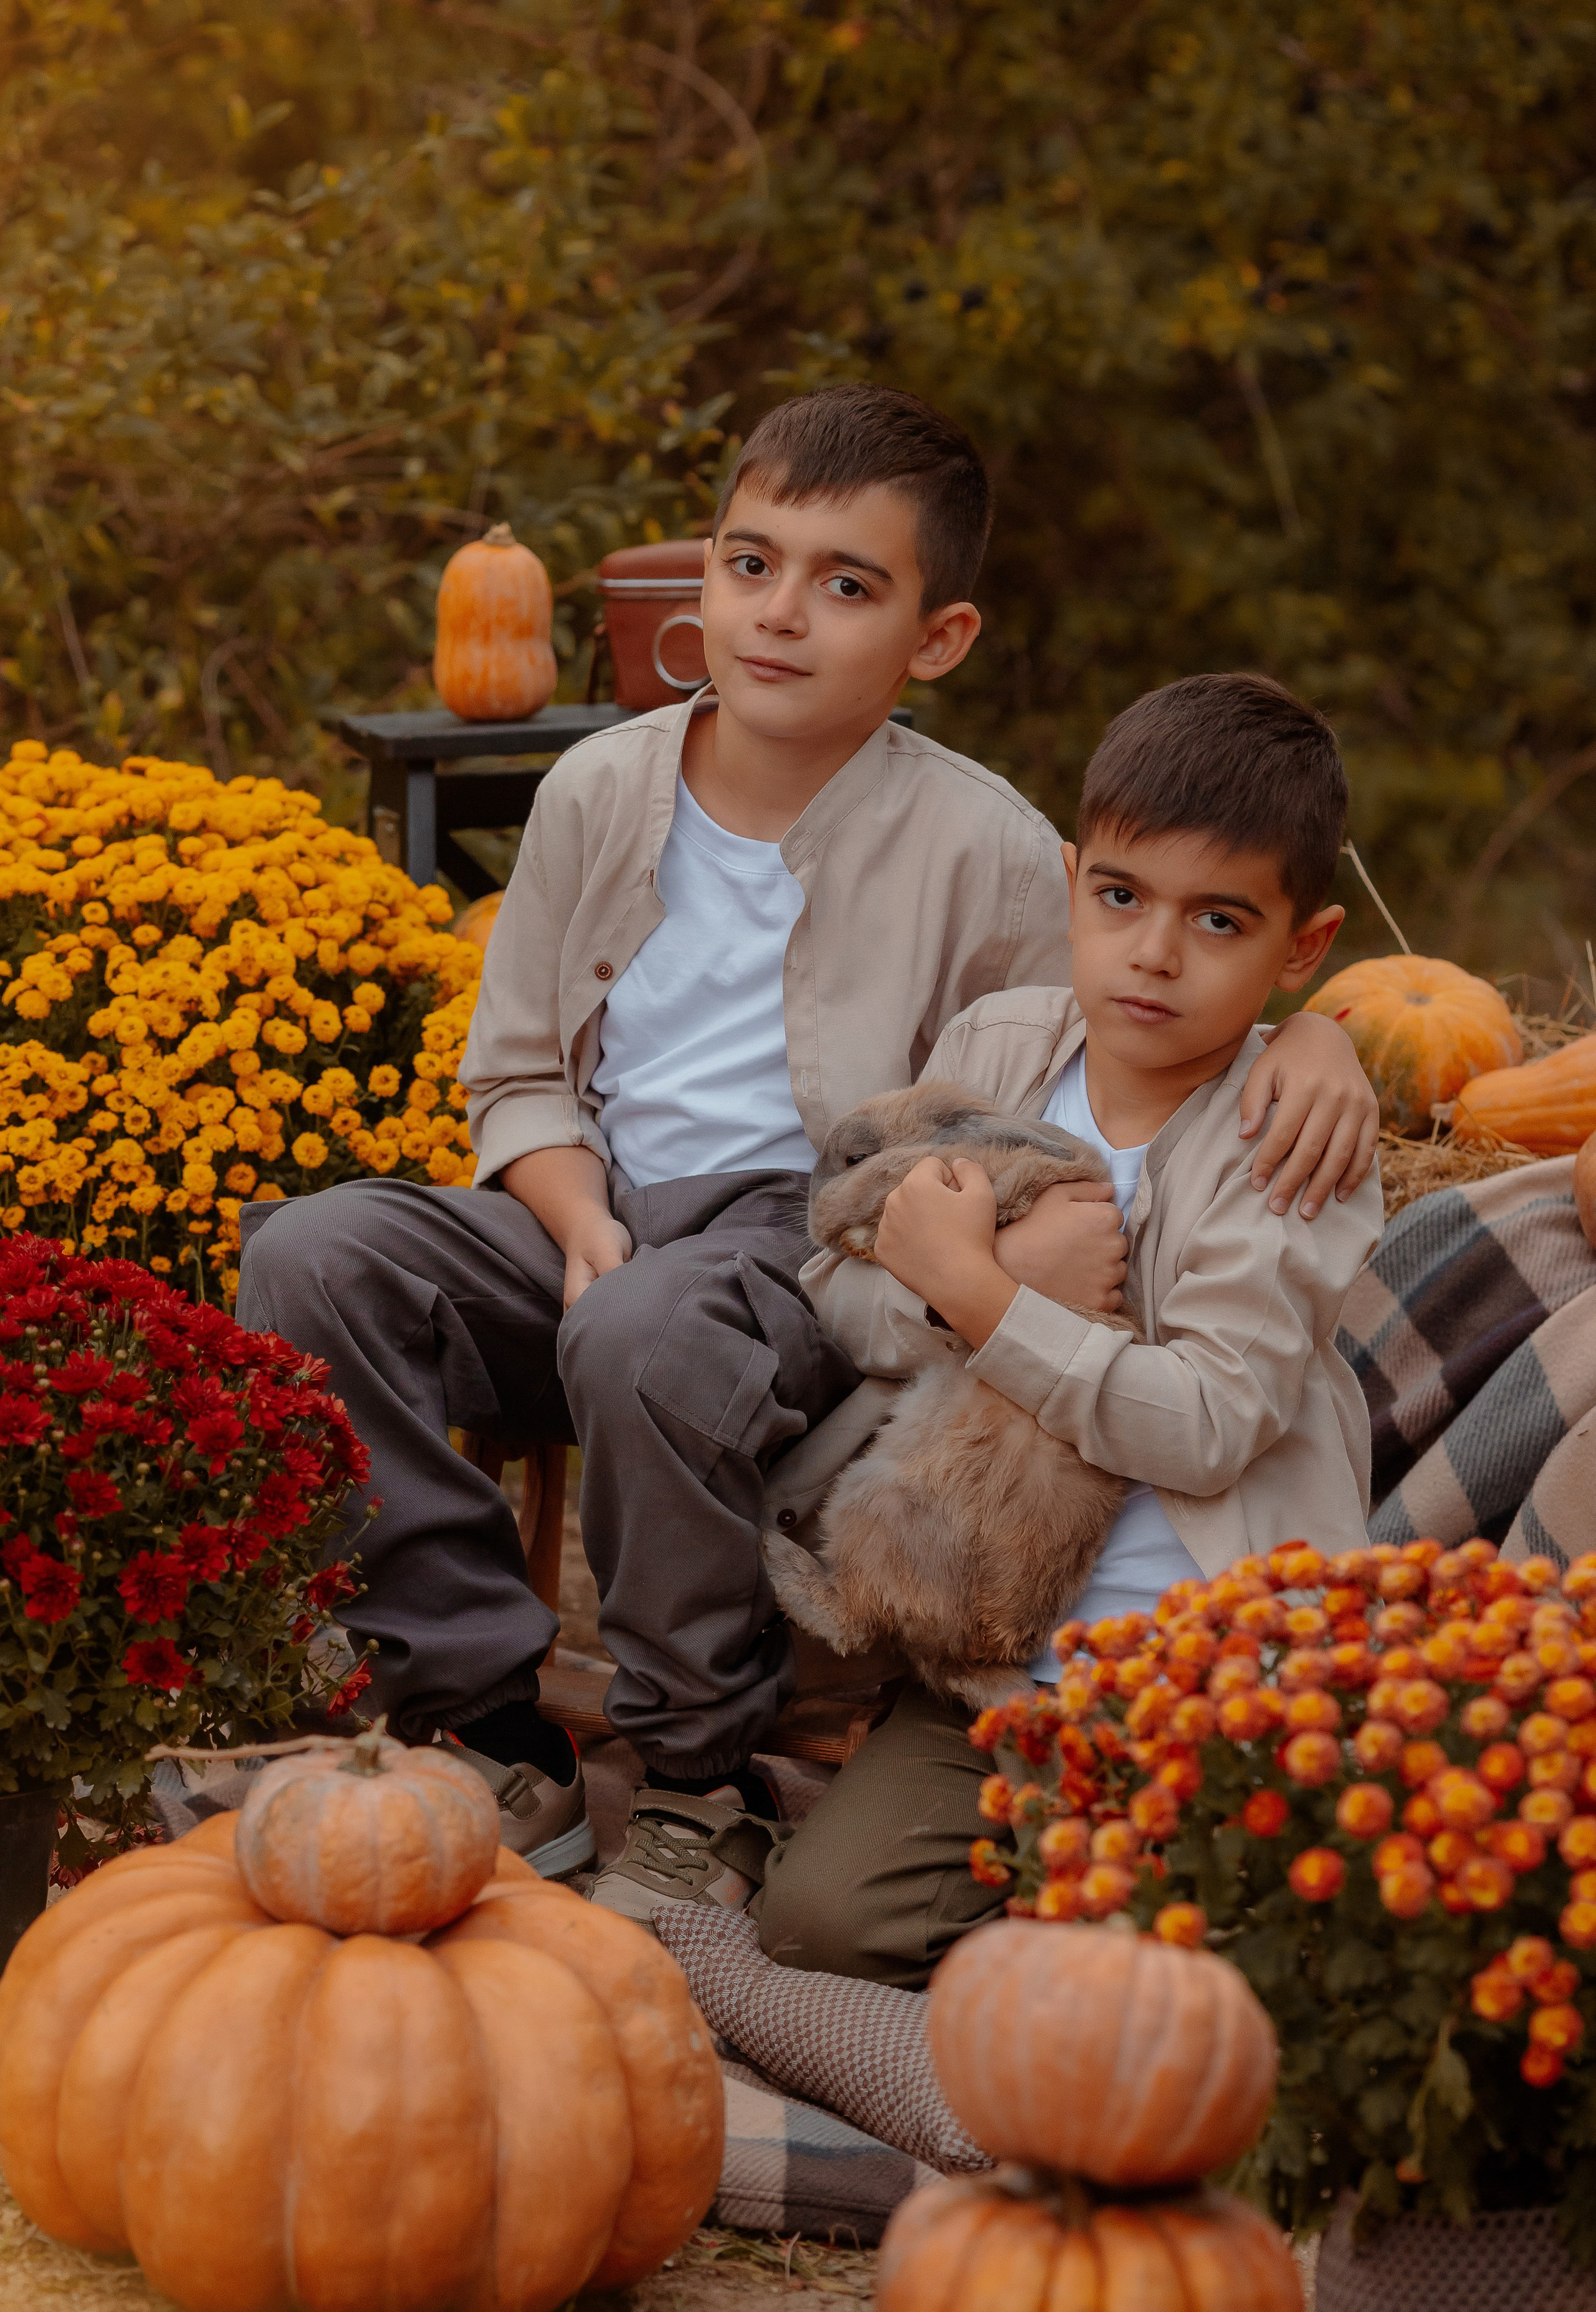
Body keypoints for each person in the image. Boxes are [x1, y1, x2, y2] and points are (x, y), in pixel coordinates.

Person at [237, 390, 1378, 1897]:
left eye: (847, 586)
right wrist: (576, 1221)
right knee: (312, 1253)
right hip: (600, 1211)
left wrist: (1322, 1038)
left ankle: (699, 1762)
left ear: (935, 640)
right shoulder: (598, 788)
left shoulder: (978, 845)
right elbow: (516, 1076)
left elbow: (1151, 979)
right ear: (701, 583)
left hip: (813, 1246)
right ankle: (482, 1714)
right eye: (749, 564)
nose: (782, 615)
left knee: (648, 1332)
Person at [755, 670, 1384, 1984]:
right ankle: (1085, 1886)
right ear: (1068, 881)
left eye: (1217, 920)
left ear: (1301, 945)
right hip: (992, 1667)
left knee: (1247, 1956)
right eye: (1119, 898)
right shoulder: (996, 1047)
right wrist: (942, 1287)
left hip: (1211, 1668)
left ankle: (1127, 1900)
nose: (1153, 952)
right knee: (819, 1920)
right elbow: (841, 1290)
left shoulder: (1287, 1133)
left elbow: (1208, 1426)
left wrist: (994, 1300)